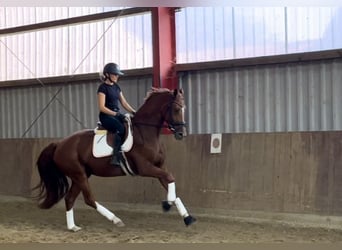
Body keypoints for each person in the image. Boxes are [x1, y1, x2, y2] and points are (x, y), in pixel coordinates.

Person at [97, 62, 136, 165]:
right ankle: (115, 156)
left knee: (130, 125)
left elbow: (124, 102)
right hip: (106, 116)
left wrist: (133, 111)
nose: (117, 76)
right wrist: (116, 114)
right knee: (121, 128)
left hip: (116, 115)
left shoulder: (116, 87)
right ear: (107, 75)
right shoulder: (102, 88)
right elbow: (102, 107)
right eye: (115, 74)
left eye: (117, 74)